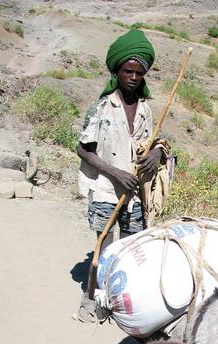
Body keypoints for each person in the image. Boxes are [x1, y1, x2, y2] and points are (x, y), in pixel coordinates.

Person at [77, 28, 163, 243]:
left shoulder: (145, 110)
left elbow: (152, 142)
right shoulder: (101, 107)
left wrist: (156, 153)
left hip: (134, 193)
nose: (134, 77)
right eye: (128, 71)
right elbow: (82, 149)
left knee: (128, 251)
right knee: (104, 251)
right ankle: (96, 278)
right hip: (105, 190)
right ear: (117, 72)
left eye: (139, 73)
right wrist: (116, 173)